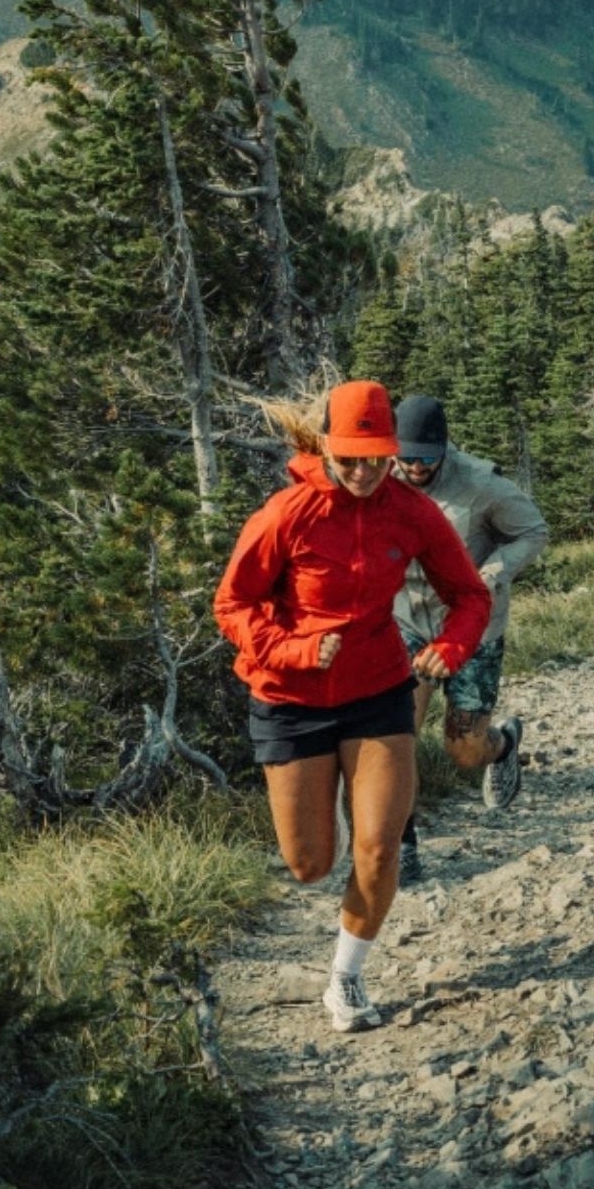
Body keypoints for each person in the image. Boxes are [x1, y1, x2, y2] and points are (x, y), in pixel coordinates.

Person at [215, 380, 492, 1033]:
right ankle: (329, 814)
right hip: (290, 700)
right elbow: (232, 606)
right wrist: (294, 649)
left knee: (378, 848)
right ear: (328, 450)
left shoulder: (411, 511)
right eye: (351, 459)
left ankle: (345, 978)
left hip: (378, 692)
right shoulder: (287, 514)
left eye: (378, 457)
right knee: (311, 864)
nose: (366, 472)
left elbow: (470, 596)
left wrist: (451, 648)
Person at [389, 395, 546, 884]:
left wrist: (492, 573)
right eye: (406, 456)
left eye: (426, 458)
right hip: (404, 621)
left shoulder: (481, 484)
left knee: (462, 748)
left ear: (444, 448)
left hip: (471, 623)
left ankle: (501, 747)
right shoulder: (379, 476)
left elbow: (533, 531)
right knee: (396, 739)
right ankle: (404, 847)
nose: (414, 466)